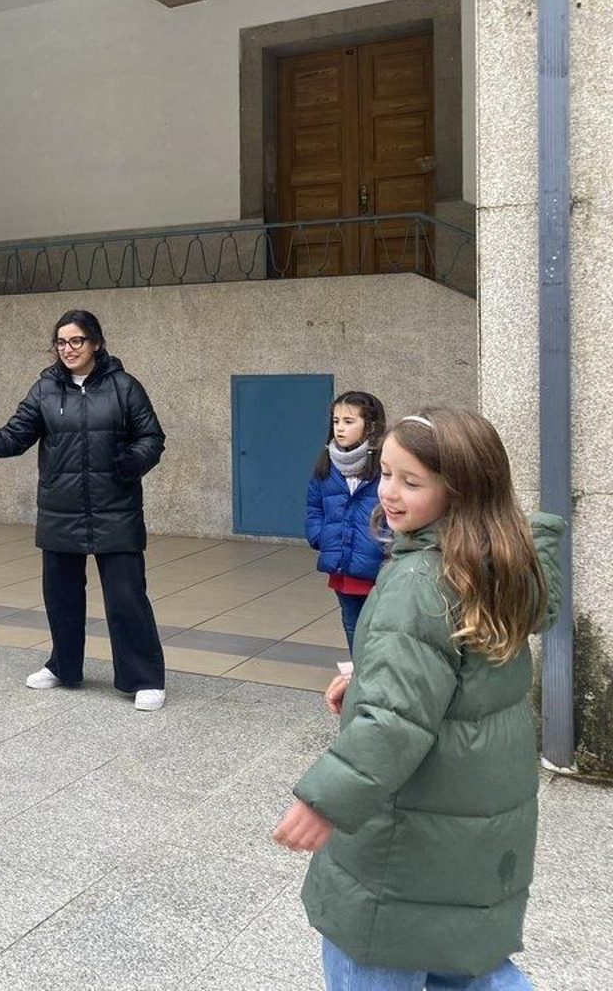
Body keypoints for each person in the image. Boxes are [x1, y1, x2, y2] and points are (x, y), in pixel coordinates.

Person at [273, 408, 563, 991]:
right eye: (385, 474)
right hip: (470, 826)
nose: (390, 493)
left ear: (461, 490)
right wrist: (372, 670)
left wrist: (325, 799)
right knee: (465, 963)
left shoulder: (420, 580)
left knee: (373, 951)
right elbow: (455, 672)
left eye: (411, 481)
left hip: (406, 837)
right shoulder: (494, 562)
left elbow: (394, 720)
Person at [0, 310, 168, 710]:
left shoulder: (125, 387)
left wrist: (131, 463)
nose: (68, 349)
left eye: (76, 341)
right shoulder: (45, 389)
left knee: (127, 599)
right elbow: (10, 438)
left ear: (95, 343)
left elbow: (152, 437)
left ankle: (143, 679)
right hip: (61, 511)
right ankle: (64, 666)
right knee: (61, 598)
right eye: (61, 342)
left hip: (116, 511)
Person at [305, 391, 388, 652]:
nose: (340, 428)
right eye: (336, 421)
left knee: (380, 626)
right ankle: (359, 674)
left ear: (371, 425)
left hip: (378, 566)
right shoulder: (326, 467)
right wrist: (319, 536)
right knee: (352, 623)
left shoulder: (386, 464)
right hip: (342, 564)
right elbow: (314, 506)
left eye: (349, 421)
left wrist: (387, 545)